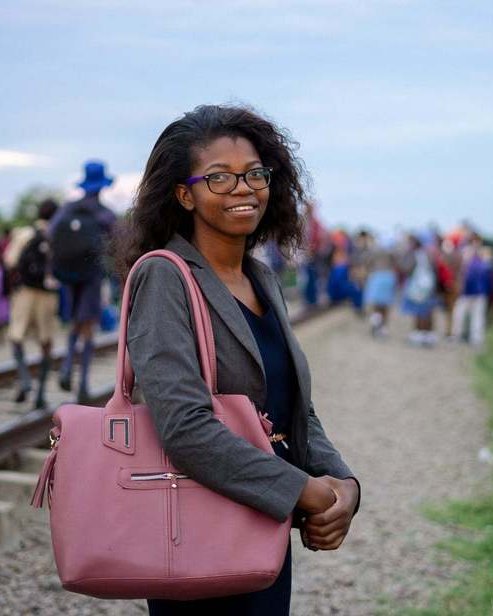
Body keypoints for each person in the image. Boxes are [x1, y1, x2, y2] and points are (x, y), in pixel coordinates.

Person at [115, 104, 360, 615]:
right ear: (185, 194)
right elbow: (184, 428)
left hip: (263, 532)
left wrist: (342, 484)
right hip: (198, 537)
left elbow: (294, 407)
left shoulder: (262, 279)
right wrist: (301, 490)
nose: (242, 189)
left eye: (253, 174)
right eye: (219, 177)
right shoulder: (166, 277)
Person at [49, 160, 117, 404]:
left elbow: (51, 232)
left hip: (68, 274)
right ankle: (83, 384)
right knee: (88, 326)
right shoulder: (104, 213)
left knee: (74, 323)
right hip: (91, 274)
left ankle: (68, 365)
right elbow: (118, 241)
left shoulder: (67, 209)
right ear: (102, 185)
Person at [4, 199, 60, 409]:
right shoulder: (58, 235)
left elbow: (9, 261)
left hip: (25, 294)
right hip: (48, 295)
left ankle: (25, 379)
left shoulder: (25, 234)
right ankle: (41, 394)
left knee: (16, 337)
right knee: (46, 343)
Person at [450, 235, 493, 348]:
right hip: (467, 290)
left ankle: (475, 338)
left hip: (479, 291)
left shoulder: (485, 254)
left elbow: (488, 271)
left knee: (477, 316)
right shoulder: (466, 252)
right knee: (460, 314)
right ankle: (458, 335)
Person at [400, 234, 438, 347]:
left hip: (418, 287)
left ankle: (418, 335)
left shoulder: (415, 254)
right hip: (429, 286)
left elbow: (406, 268)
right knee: (427, 312)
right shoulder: (428, 254)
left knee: (418, 312)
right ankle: (428, 335)